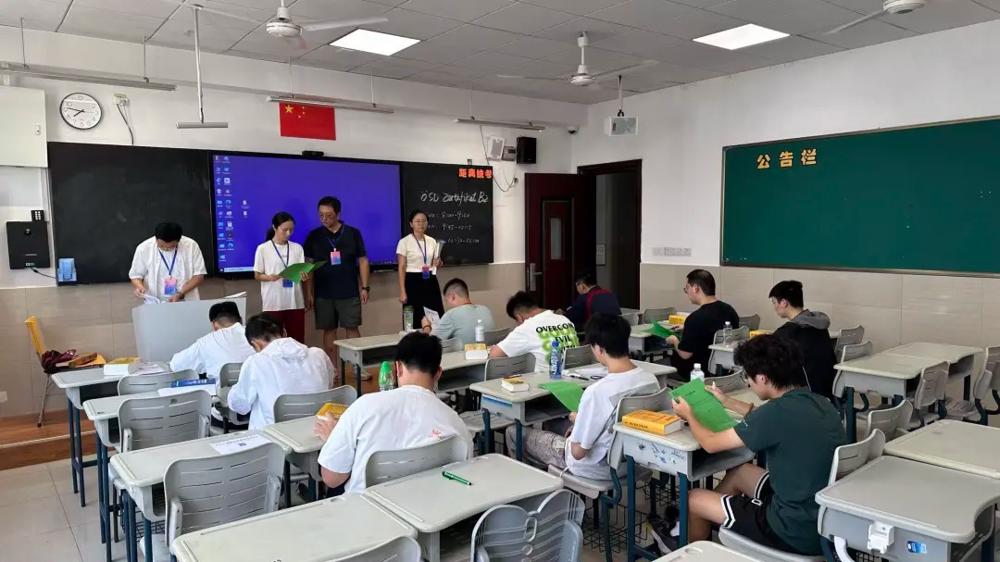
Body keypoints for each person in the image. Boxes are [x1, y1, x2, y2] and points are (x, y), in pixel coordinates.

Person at [651, 335, 846, 556]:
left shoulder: (776, 413)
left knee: (692, 499)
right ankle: (699, 520)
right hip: (820, 515)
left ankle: (689, 548)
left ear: (762, 378)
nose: (748, 383)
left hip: (789, 529)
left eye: (748, 376)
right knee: (740, 472)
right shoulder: (819, 402)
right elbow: (763, 417)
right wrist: (727, 401)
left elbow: (711, 443)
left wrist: (689, 415)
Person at [314, 332, 472, 493]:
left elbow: (331, 479)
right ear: (438, 373)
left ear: (398, 368)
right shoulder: (455, 423)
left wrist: (332, 441)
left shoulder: (363, 407)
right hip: (431, 505)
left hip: (368, 506)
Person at [504, 313, 659, 475]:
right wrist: (581, 421)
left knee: (513, 432)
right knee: (552, 425)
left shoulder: (597, 392)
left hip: (596, 468)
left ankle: (540, 484)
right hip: (634, 462)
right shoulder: (650, 379)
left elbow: (578, 453)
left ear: (599, 348)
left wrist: (579, 422)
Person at [227, 314, 333, 430]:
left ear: (255, 344)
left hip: (273, 435)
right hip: (319, 430)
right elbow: (329, 384)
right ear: (284, 333)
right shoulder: (319, 355)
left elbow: (240, 405)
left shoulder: (256, 362)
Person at [303, 196, 370, 378]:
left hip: (349, 290)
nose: (324, 219)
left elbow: (363, 261)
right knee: (329, 330)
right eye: (321, 215)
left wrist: (365, 287)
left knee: (352, 328)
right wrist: (309, 293)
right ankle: (333, 369)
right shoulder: (314, 236)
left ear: (338, 214)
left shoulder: (353, 233)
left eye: (329, 215)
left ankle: (358, 368)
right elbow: (308, 266)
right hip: (323, 293)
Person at [664, 269, 739, 379]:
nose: (686, 292)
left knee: (655, 367)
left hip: (695, 372)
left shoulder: (695, 318)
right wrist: (687, 328)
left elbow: (685, 355)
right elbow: (712, 328)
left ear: (696, 288)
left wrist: (674, 340)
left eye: (687, 288)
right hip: (723, 371)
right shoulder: (729, 310)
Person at [769, 280, 837, 399]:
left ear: (784, 302)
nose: (774, 307)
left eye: (774, 302)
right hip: (829, 390)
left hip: (806, 395)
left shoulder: (787, 332)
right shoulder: (818, 324)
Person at [169, 301, 254, 392]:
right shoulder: (257, 335)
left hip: (224, 398)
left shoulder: (206, 342)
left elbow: (176, 365)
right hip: (259, 394)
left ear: (214, 324)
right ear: (240, 320)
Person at [254, 211, 307, 343]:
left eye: (291, 230)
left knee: (297, 340)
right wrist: (270, 277)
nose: (288, 233)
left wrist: (304, 277)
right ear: (275, 227)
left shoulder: (297, 248)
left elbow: (301, 273)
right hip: (273, 302)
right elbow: (257, 275)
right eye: (284, 230)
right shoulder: (263, 248)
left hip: (295, 301)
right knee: (273, 341)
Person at [490, 291, 579, 368]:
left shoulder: (526, 327)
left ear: (519, 317)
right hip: (574, 376)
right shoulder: (563, 319)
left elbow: (494, 355)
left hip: (545, 379)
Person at [129, 221, 207, 302]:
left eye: (172, 246)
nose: (166, 249)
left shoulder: (191, 246)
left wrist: (180, 294)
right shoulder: (144, 248)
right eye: (161, 246)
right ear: (156, 239)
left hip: (186, 297)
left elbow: (199, 275)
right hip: (155, 300)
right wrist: (140, 287)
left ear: (179, 240)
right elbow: (135, 275)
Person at [397, 210, 444, 331]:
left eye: (424, 221)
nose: (421, 224)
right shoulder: (404, 242)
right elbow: (401, 267)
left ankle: (435, 339)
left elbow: (437, 263)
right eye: (417, 221)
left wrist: (439, 263)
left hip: (430, 280)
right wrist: (402, 291)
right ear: (411, 224)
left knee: (435, 314)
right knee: (415, 316)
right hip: (412, 281)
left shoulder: (432, 241)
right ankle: (415, 341)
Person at [420, 278, 496, 345]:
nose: (447, 305)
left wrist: (426, 327)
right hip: (488, 356)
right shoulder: (486, 310)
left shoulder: (451, 315)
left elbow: (429, 345)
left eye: (446, 301)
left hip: (462, 356)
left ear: (453, 297)